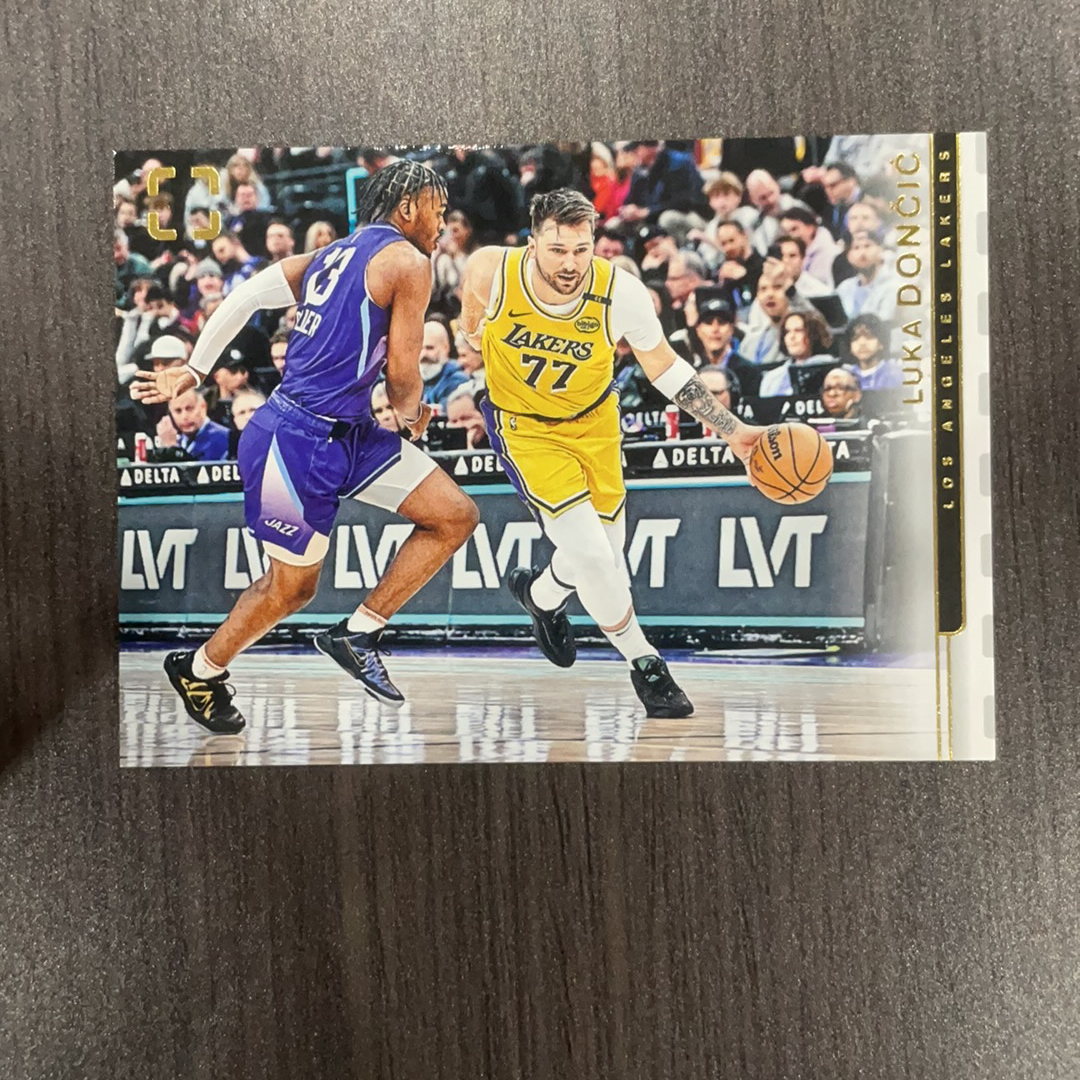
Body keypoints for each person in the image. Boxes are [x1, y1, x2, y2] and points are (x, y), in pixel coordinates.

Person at [132, 161, 478, 732]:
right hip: (296, 440)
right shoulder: (408, 261)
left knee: (454, 515)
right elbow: (401, 376)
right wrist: (414, 416)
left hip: (349, 430)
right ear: (408, 207)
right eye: (438, 211)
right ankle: (199, 669)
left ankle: (359, 634)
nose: (441, 224)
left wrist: (195, 368)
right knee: (291, 589)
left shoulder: (330, 254)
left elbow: (244, 296)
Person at [459, 188, 764, 719]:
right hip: (526, 429)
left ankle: (541, 596)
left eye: (582, 250)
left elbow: (665, 368)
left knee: (601, 551)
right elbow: (469, 330)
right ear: (532, 243)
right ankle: (646, 664)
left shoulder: (619, 291)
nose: (571, 263)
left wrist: (732, 429)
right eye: (557, 250)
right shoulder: (491, 270)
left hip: (595, 425)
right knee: (597, 559)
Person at [758, 310, 836, 397]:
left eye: (798, 330)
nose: (791, 337)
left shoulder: (834, 371)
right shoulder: (772, 378)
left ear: (813, 335)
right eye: (787, 332)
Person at [157, 388, 231, 461]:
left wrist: (172, 447)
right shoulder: (179, 440)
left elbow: (199, 467)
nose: (184, 416)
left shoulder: (223, 437)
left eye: (189, 409)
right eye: (178, 411)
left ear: (203, 407)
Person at [418, 320, 471, 409]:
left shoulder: (457, 380)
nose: (423, 354)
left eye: (430, 348)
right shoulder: (413, 381)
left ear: (445, 347)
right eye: (420, 348)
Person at [843, 312, 903, 389]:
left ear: (881, 343)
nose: (862, 343)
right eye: (855, 338)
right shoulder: (846, 375)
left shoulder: (892, 373)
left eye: (869, 337)